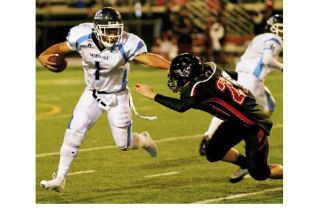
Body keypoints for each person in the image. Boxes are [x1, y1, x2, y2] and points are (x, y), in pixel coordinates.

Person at [38, 7, 171, 193]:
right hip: (91, 93)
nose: (113, 35)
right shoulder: (82, 35)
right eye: (108, 31)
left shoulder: (128, 42)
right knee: (73, 133)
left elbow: (148, 59)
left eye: (116, 30)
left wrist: (171, 67)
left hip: (117, 95)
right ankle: (60, 178)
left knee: (123, 144)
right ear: (97, 29)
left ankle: (144, 140)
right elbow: (60, 48)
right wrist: (43, 56)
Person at [134, 53, 283, 183]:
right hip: (235, 120)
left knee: (259, 173)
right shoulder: (210, 68)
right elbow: (234, 76)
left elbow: (182, 106)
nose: (176, 80)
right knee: (213, 152)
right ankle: (244, 164)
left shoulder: (199, 86)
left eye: (177, 76)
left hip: (253, 123)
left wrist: (153, 95)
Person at [199, 14, 283, 182]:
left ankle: (212, 134)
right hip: (252, 81)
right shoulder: (274, 39)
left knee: (230, 106)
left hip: (238, 77)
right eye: (281, 27)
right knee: (267, 107)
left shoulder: (259, 38)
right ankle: (254, 137)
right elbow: (266, 60)